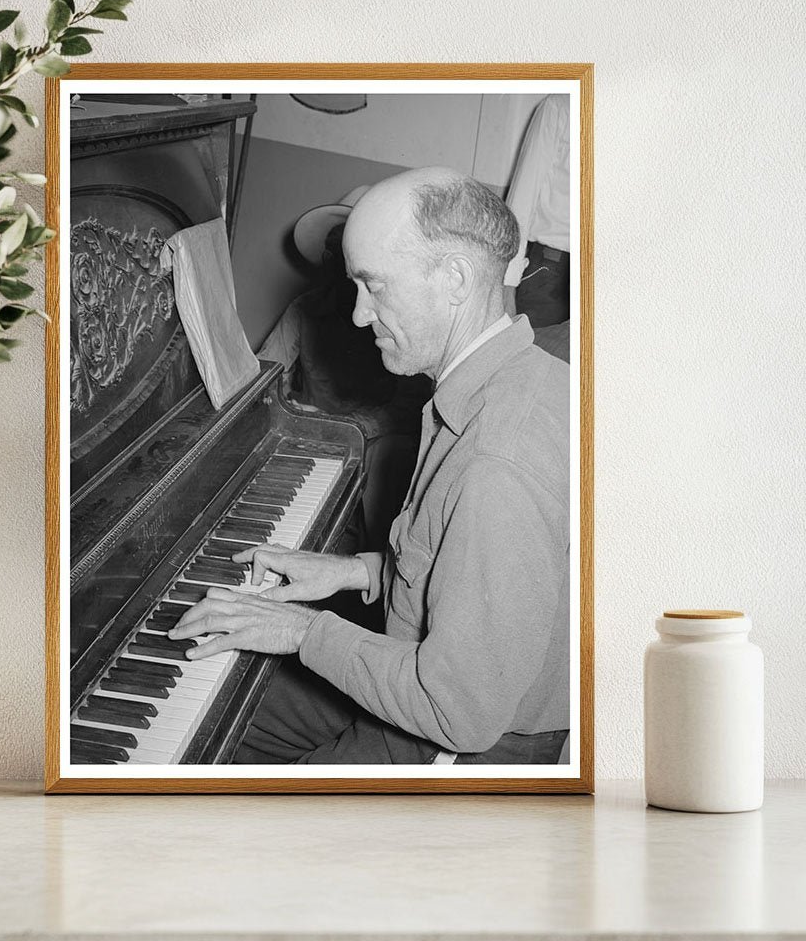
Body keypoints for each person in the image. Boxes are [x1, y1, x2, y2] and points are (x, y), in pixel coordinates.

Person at [170, 166, 570, 765]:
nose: (358, 316)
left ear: (455, 278)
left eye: (375, 286)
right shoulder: (528, 377)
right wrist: (352, 573)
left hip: (460, 742)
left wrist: (303, 631)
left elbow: (458, 712)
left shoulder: (495, 465)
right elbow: (469, 576)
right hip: (430, 674)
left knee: (232, 821)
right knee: (204, 693)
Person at [257, 187, 430, 551]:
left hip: (372, 442)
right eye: (336, 253)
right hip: (308, 433)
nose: (344, 267)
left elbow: (410, 405)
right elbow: (265, 373)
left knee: (392, 458)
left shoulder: (396, 319)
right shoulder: (306, 308)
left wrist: (347, 427)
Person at [503, 94, 571, 328]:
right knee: (527, 358)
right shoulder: (561, 107)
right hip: (552, 270)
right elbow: (523, 194)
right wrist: (508, 283)